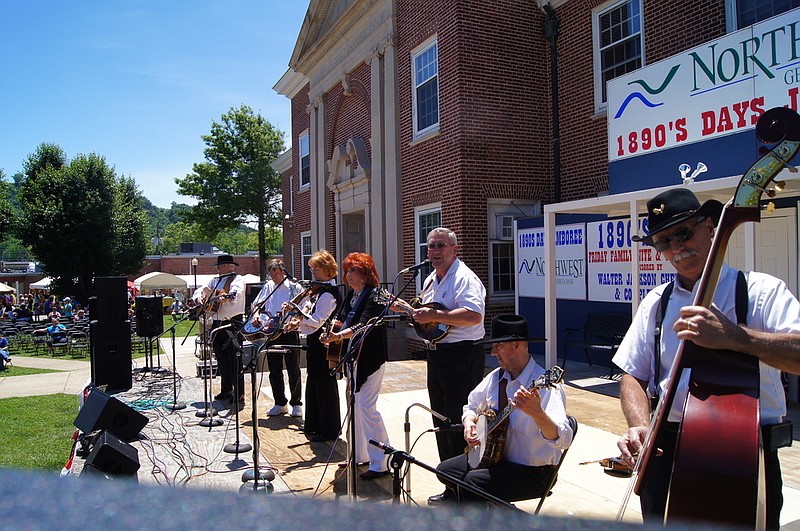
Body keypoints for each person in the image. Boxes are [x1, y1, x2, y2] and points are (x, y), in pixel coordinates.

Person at [614, 188, 800, 529]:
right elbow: (632, 374)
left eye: (684, 233)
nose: (676, 248)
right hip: (664, 450)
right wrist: (639, 424)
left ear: (710, 226)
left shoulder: (761, 291)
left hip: (743, 454)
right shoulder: (656, 302)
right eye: (663, 241)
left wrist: (736, 337)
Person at [431, 314, 573, 505]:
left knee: (472, 485)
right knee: (445, 471)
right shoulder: (496, 377)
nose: (493, 352)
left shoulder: (547, 387)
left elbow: (563, 440)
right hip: (497, 462)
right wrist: (468, 423)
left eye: (499, 345)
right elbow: (471, 404)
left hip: (534, 472)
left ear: (517, 344)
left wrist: (537, 413)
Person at [403, 227, 486, 504]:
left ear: (454, 249)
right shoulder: (429, 280)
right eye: (430, 247)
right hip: (437, 355)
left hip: (462, 356)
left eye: (440, 246)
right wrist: (408, 312)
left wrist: (436, 314)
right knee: (441, 421)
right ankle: (451, 485)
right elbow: (429, 317)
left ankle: (467, 490)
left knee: (459, 421)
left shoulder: (465, 278)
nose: (435, 252)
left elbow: (474, 315)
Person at [321, 252, 391, 479]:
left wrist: (338, 335)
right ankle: (358, 455)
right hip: (353, 358)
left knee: (366, 408)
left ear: (365, 273)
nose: (347, 275)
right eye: (347, 270)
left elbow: (364, 325)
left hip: (370, 360)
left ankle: (382, 461)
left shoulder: (376, 295)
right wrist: (331, 331)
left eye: (352, 271)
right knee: (353, 407)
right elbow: (342, 320)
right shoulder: (352, 295)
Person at [288, 250, 342, 442]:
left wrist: (298, 314)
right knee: (314, 381)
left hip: (325, 342)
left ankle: (329, 429)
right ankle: (315, 424)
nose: (313, 273)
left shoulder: (329, 294)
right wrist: (296, 322)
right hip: (314, 340)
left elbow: (318, 321)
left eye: (316, 269)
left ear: (328, 270)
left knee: (325, 383)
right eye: (312, 269)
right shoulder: (318, 291)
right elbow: (309, 316)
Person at [250, 259, 304, 418]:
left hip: (289, 330)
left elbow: (305, 307)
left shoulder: (295, 287)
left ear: (283, 272)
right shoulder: (268, 287)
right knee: (274, 369)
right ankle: (280, 403)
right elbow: (256, 305)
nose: (274, 278)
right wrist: (256, 315)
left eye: (277, 274)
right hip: (271, 331)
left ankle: (296, 403)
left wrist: (295, 318)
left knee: (293, 368)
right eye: (272, 275)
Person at [192, 254, 246, 408]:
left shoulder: (237, 279)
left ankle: (239, 393)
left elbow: (237, 293)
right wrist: (199, 299)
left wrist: (228, 297)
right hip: (216, 322)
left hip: (232, 322)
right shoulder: (214, 281)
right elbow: (201, 290)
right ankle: (226, 389)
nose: (221, 269)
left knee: (235, 358)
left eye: (224, 266)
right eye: (219, 266)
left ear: (231, 267)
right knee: (221, 358)